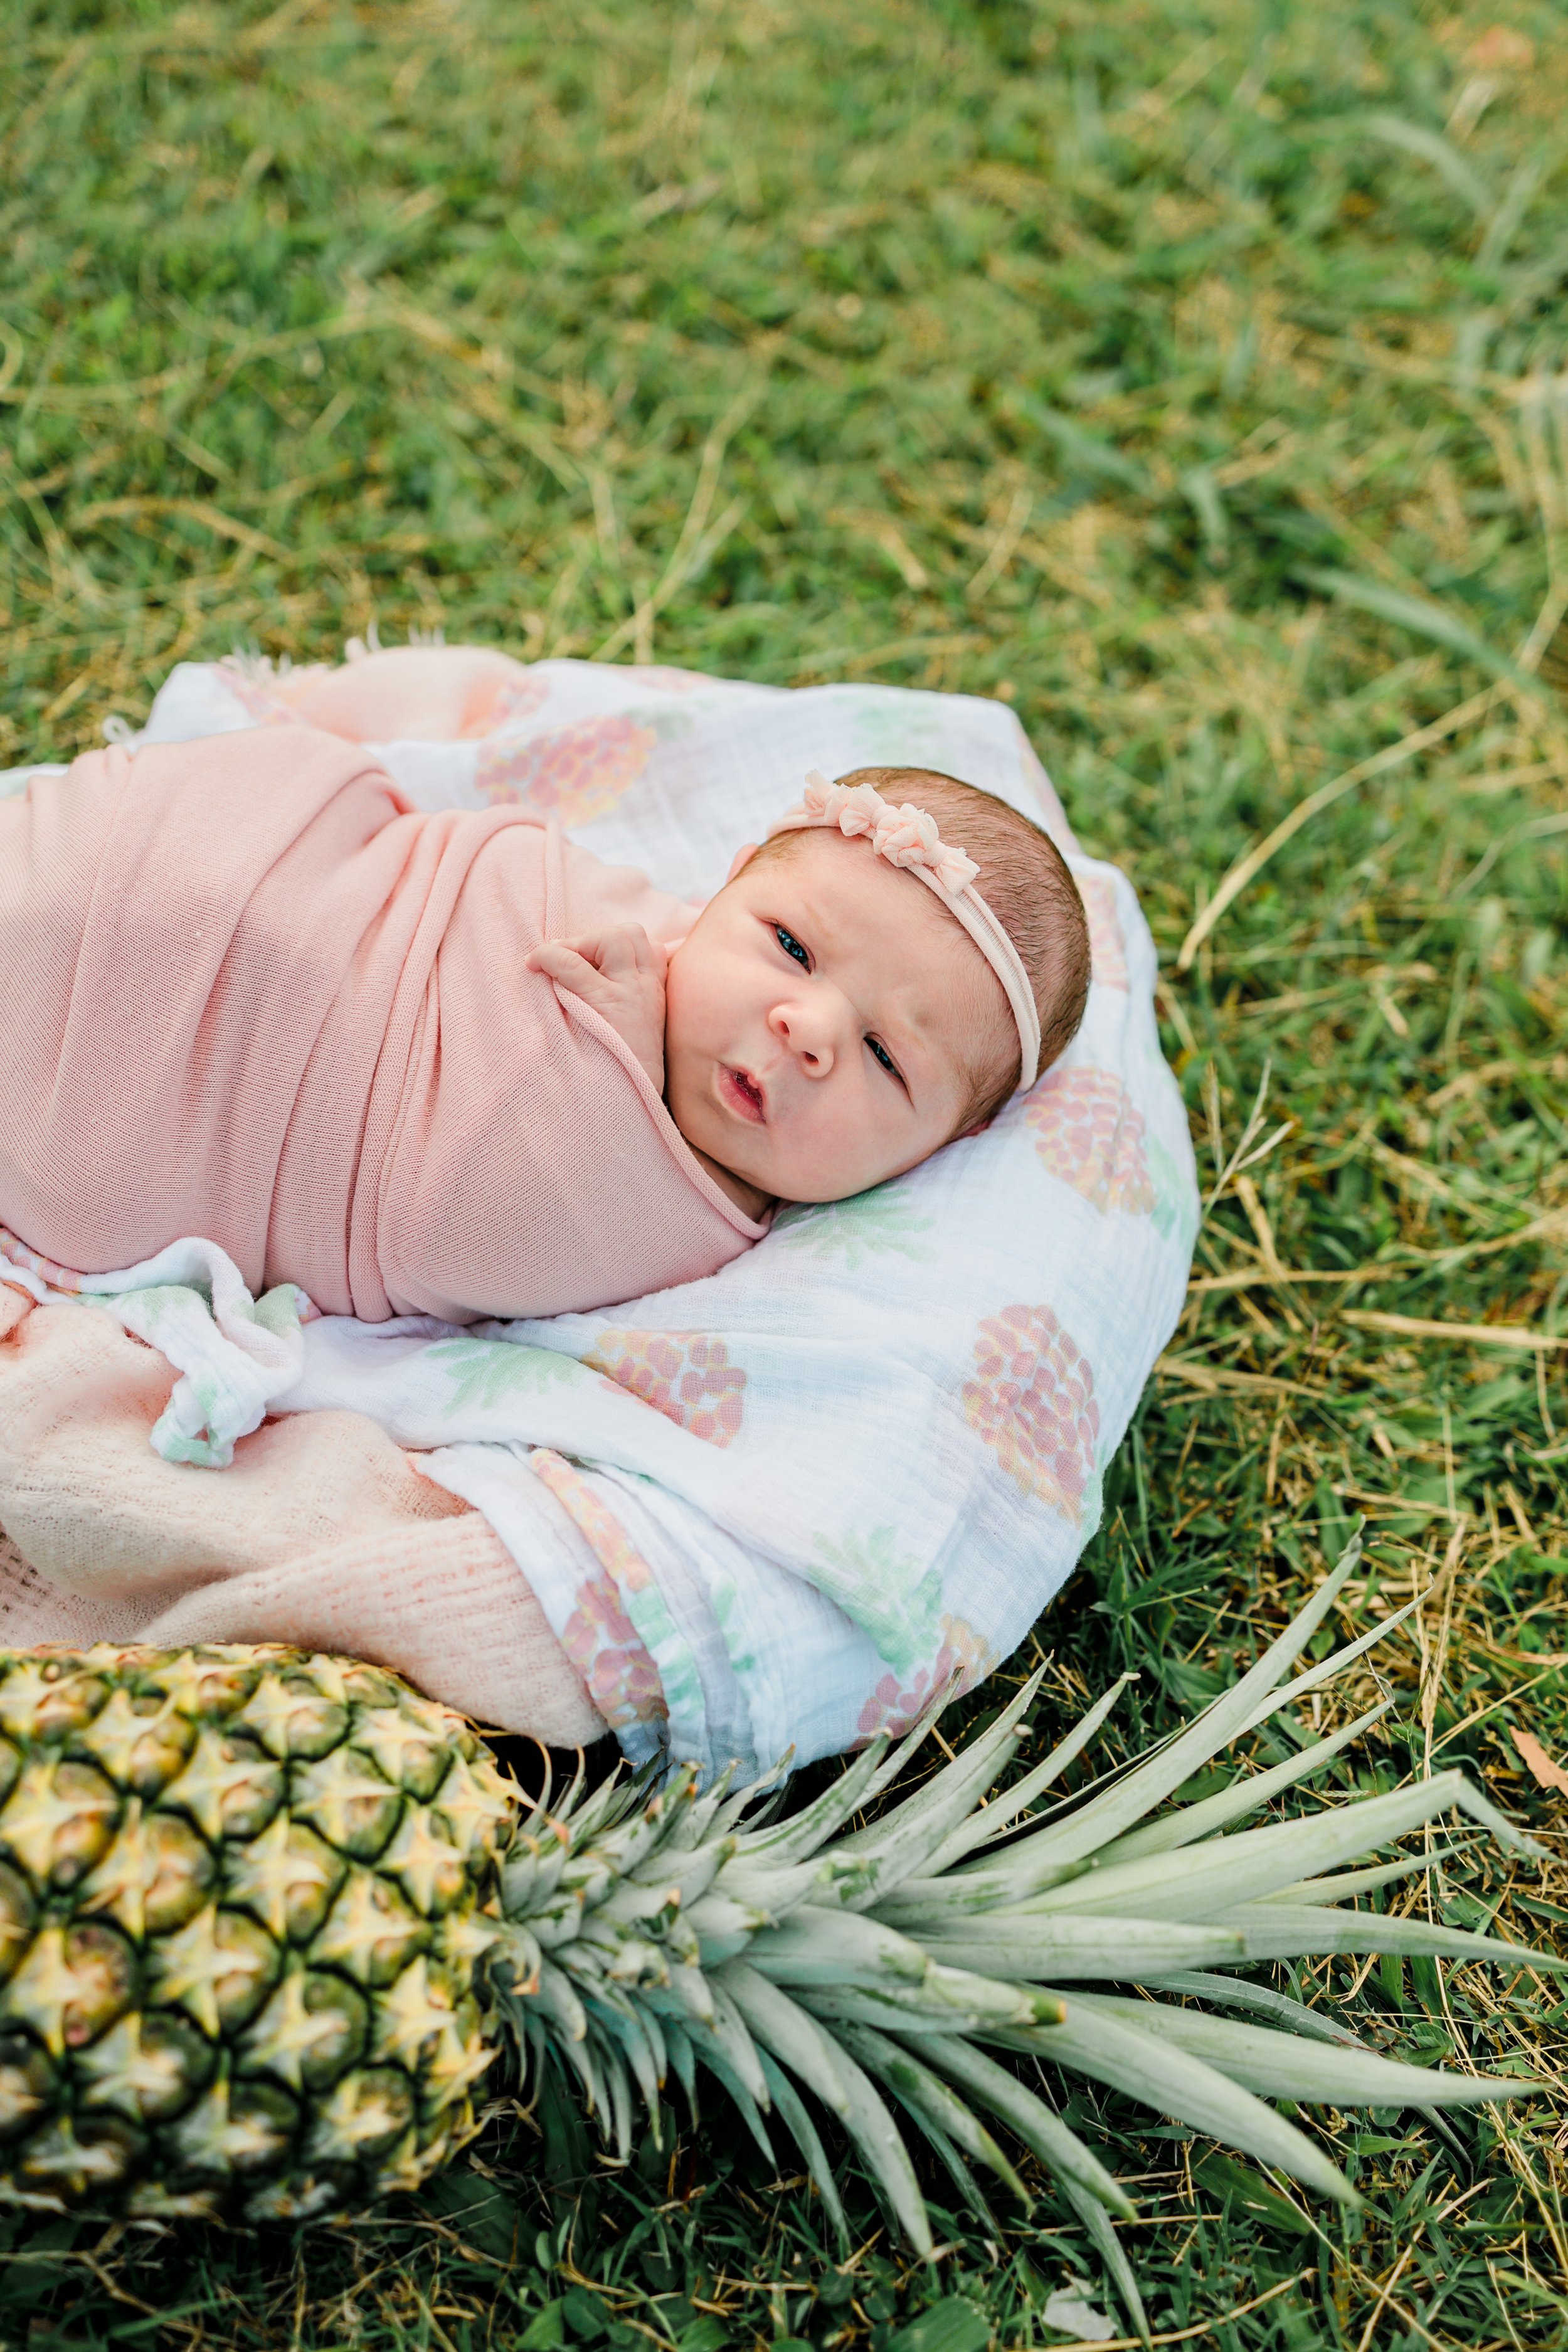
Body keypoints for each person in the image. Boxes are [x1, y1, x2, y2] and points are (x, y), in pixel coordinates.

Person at [0, 648, 1089, 1326]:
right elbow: (468, 875)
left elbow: (447, 1229)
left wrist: (616, 1068)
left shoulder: (691, 1238)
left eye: (887, 1058)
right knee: (195, 861)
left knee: (87, 1143)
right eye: (793, 948)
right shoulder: (630, 924)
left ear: (939, 1150)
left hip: (196, 1108)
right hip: (272, 881)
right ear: (721, 895)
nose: (805, 1027)